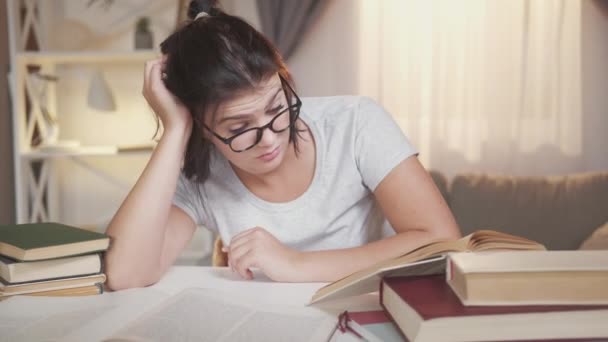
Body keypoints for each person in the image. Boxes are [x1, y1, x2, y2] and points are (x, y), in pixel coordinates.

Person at [104, 0, 460, 291]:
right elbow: (124, 274)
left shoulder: (356, 123)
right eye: (239, 127)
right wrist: (174, 131)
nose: (270, 138)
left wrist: (295, 263)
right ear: (205, 130)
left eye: (277, 107)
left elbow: (440, 239)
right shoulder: (201, 170)